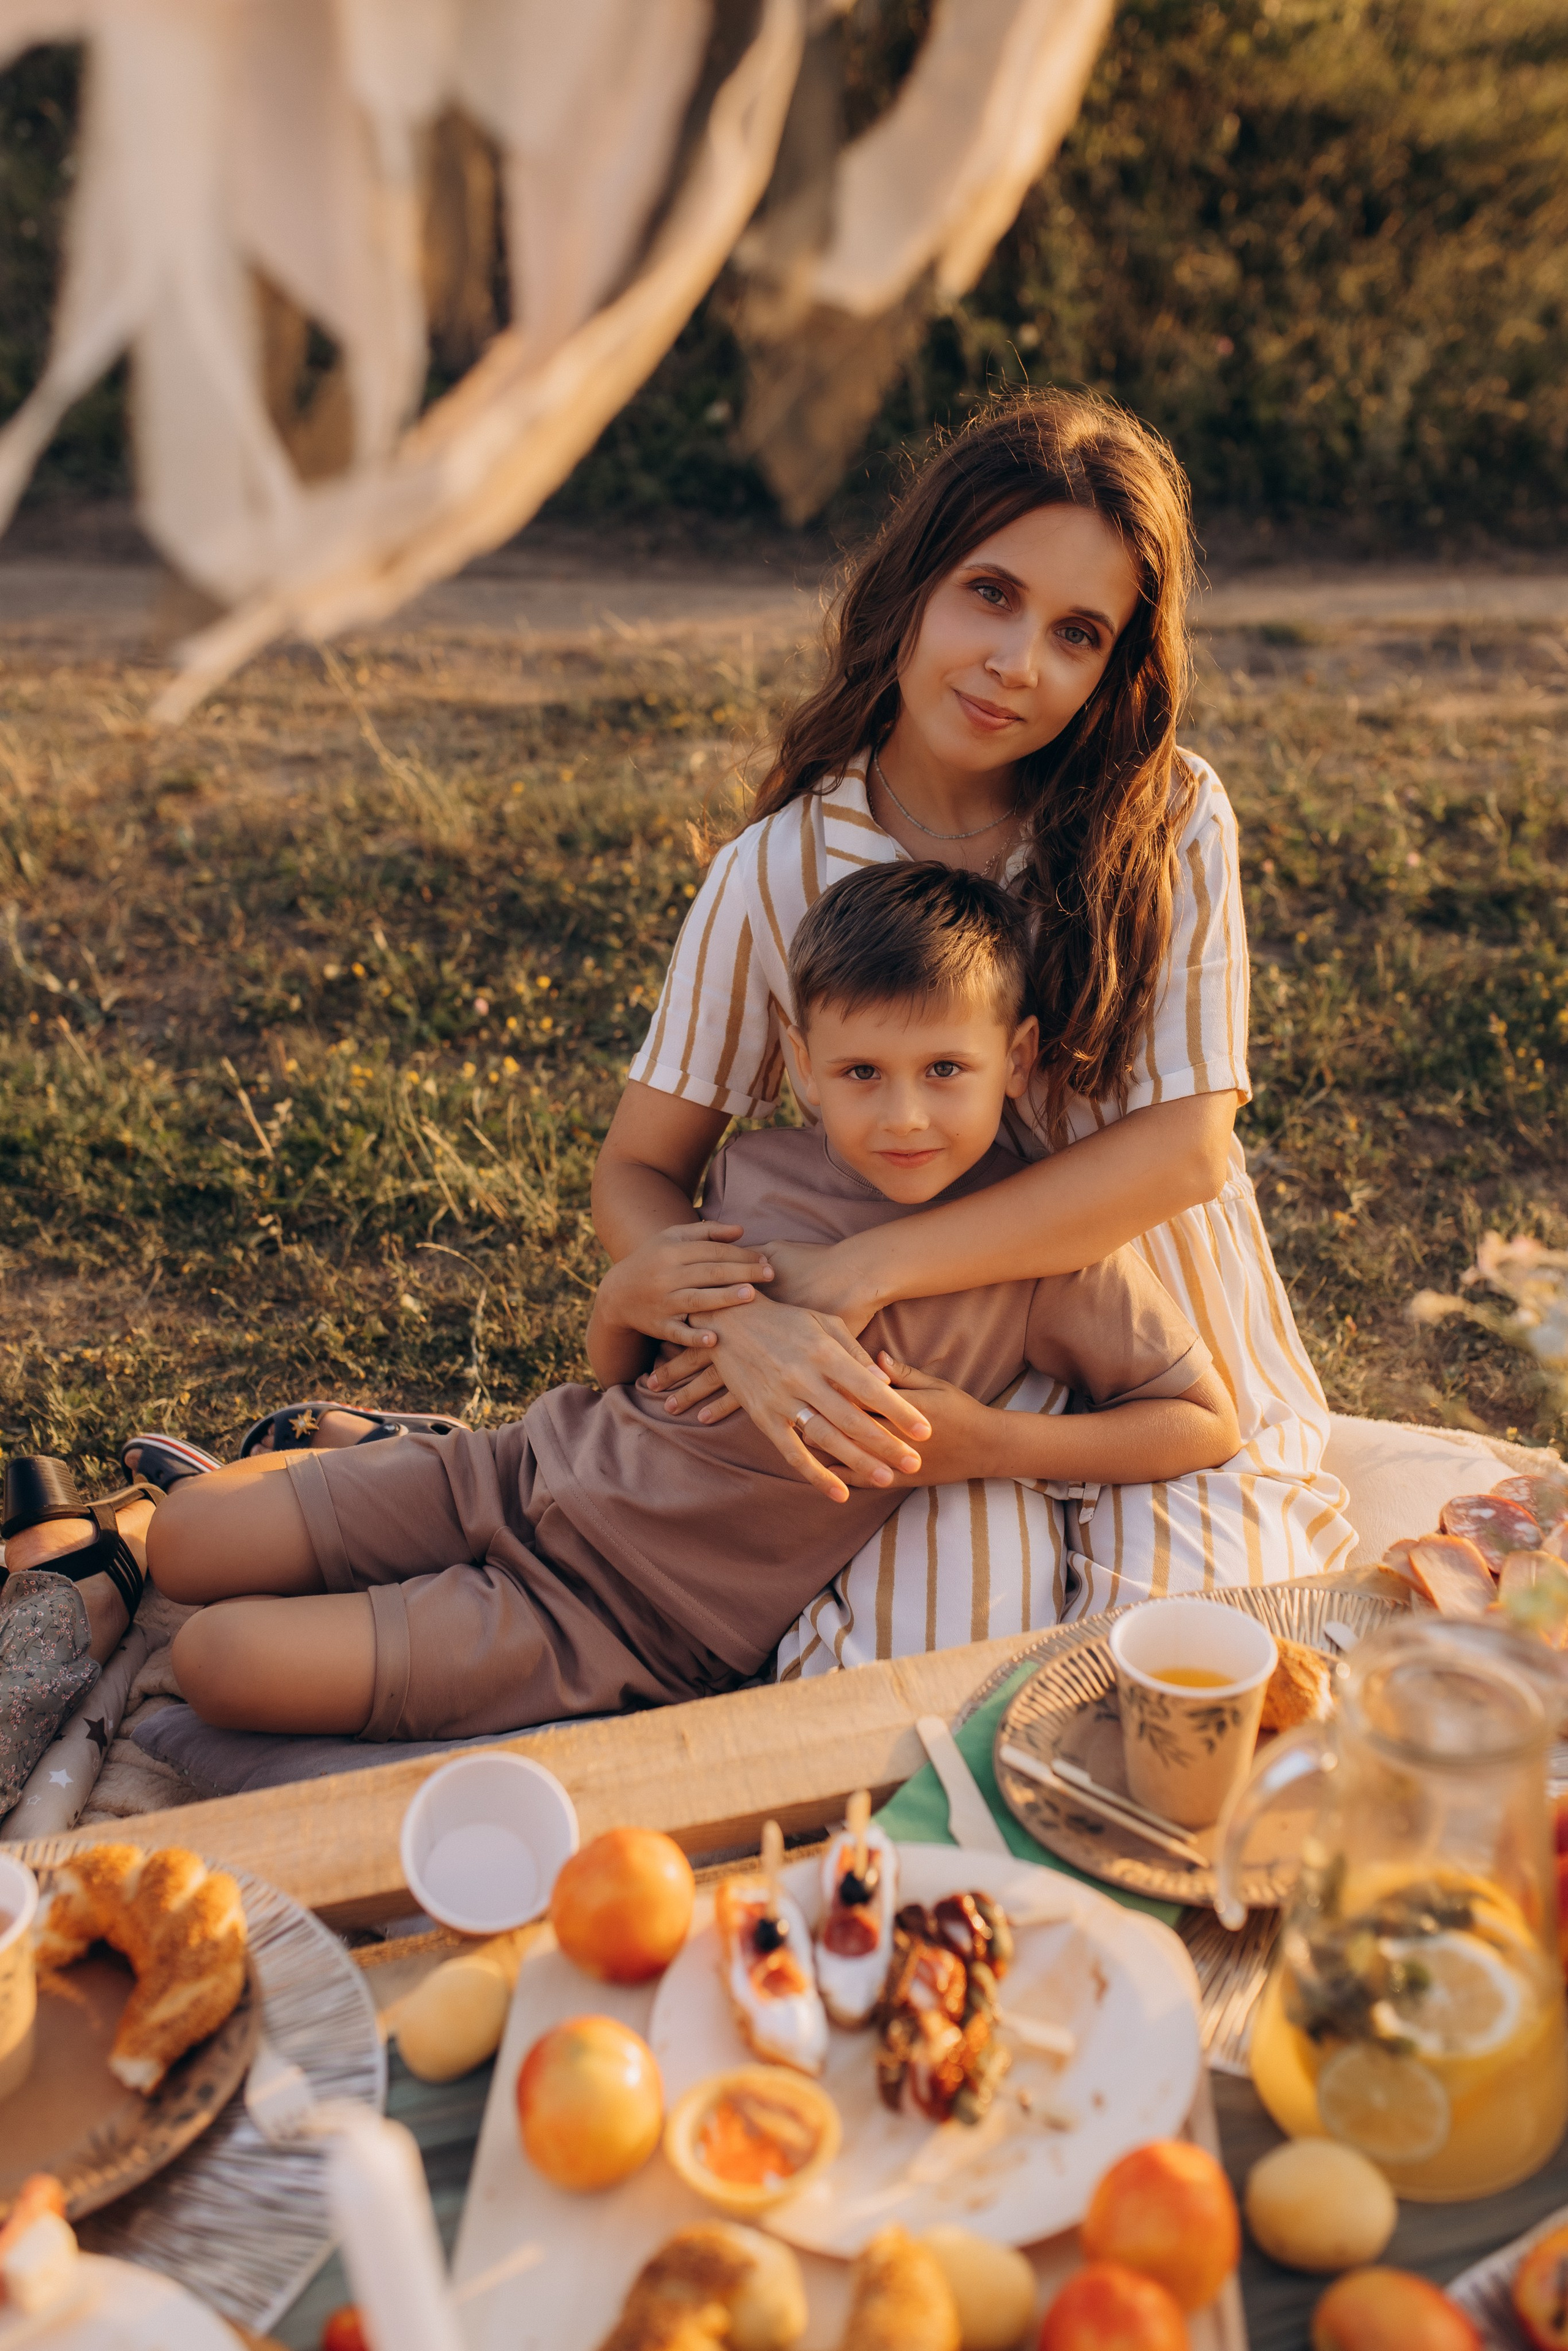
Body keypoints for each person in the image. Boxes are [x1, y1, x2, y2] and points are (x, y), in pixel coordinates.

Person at [1, 865, 1237, 1745]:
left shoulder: (1040, 1248)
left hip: (609, 1617)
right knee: (193, 1536)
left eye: (945, 1072)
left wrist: (985, 1443)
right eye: (860, 1072)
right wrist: (624, 1289)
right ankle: (373, 1466)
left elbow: (1198, 1417)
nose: (902, 1114)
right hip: (520, 1467)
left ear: (1013, 1060)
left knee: (216, 1659)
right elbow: (622, 1369)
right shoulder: (757, 1168)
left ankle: (321, 1577)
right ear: (799, 1066)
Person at [590, 389, 1354, 1665]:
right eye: (989, 594)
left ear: (1117, 666)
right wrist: (749, 1321)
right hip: (906, 1366)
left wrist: (867, 1267)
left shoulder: (1160, 824)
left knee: (1189, 1669)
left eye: (1076, 632)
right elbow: (639, 1166)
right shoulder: (780, 866)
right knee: (918, 1670)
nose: (1018, 663)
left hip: (1149, 1352)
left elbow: (1183, 1152)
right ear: (909, 585)